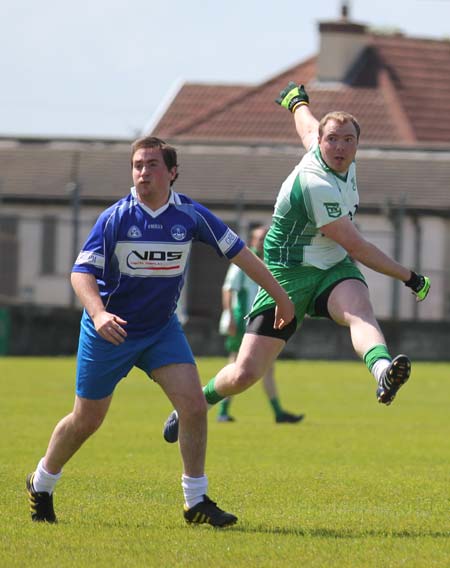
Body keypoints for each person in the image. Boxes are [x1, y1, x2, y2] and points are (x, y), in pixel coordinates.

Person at [26, 136, 294, 527]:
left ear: (172, 172)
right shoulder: (116, 217)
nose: (142, 173)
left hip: (160, 331)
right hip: (110, 332)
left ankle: (195, 501)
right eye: (137, 165)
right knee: (87, 420)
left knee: (194, 406)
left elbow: (238, 252)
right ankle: (42, 481)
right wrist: (99, 315)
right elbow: (81, 272)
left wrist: (280, 297)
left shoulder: (190, 215)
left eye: (151, 165)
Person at [163, 82, 431, 444]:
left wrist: (297, 102)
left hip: (332, 268)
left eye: (347, 139)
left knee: (359, 311)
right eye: (332, 139)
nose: (339, 146)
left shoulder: (334, 155)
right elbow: (357, 246)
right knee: (245, 373)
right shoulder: (315, 182)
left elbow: (307, 124)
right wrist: (410, 277)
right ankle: (196, 403)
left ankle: (382, 370)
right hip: (287, 273)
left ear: (357, 144)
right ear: (322, 144)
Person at [217, 225, 304, 424]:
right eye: (261, 238)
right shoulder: (244, 261)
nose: (264, 242)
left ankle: (278, 412)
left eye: (267, 237)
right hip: (243, 321)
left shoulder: (273, 262)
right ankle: (221, 409)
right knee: (236, 366)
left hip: (263, 322)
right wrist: (229, 315)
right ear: (253, 241)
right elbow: (229, 289)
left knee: (267, 368)